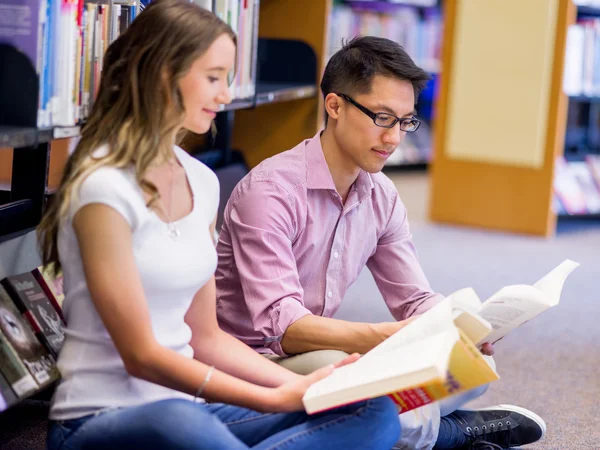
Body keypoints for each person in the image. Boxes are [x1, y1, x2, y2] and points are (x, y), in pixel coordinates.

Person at [38, 4, 402, 449]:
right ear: (162, 74)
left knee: (370, 408)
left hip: (192, 409)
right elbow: (141, 356)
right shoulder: (102, 187)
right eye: (213, 77)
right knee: (182, 424)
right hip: (101, 418)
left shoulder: (201, 181)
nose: (226, 96)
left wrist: (308, 390)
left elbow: (206, 338)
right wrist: (273, 399)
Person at [215, 36, 546, 450]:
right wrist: (387, 338)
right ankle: (452, 433)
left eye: (406, 121)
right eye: (382, 117)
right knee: (350, 381)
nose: (394, 138)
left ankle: (407, 424)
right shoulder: (270, 192)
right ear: (334, 106)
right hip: (253, 361)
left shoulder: (381, 195)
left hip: (321, 351)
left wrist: (465, 325)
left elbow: (414, 299)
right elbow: (287, 328)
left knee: (472, 369)